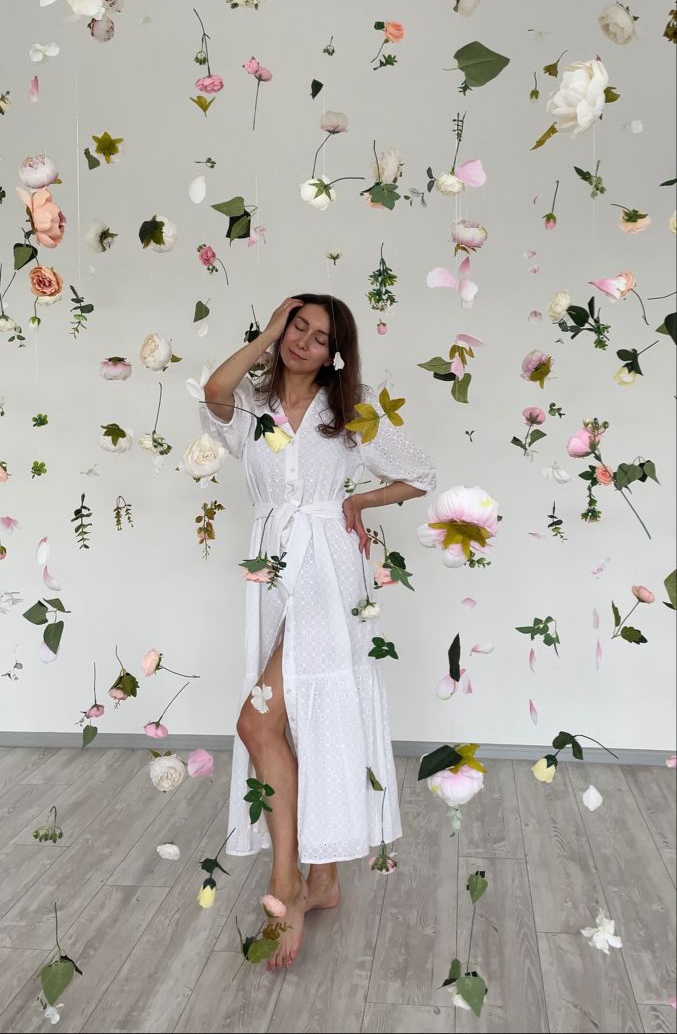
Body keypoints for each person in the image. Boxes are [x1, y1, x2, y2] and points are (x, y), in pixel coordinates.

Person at [199, 293, 437, 971]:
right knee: (288, 721)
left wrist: (357, 499)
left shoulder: (349, 407)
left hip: (330, 573)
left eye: (317, 334)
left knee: (268, 722)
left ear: (336, 348)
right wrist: (268, 331)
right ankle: (322, 878)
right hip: (274, 569)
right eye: (295, 328)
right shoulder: (251, 405)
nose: (303, 341)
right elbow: (216, 388)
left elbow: (418, 473)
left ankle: (289, 885)